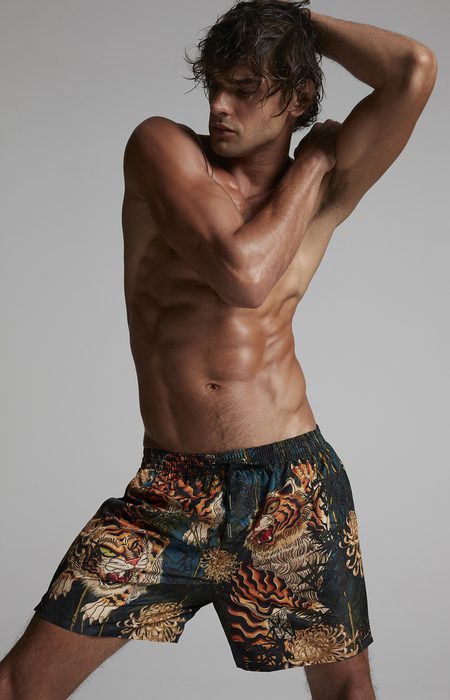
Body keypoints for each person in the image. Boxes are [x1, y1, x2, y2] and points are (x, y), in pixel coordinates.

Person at [0, 1, 437, 698]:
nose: (218, 107)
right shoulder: (163, 148)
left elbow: (413, 69)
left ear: (298, 98)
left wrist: (295, 19)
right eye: (215, 87)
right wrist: (314, 159)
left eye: (244, 88)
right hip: (170, 492)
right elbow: (244, 275)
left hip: (293, 485)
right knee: (22, 684)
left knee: (347, 692)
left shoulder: (327, 185)